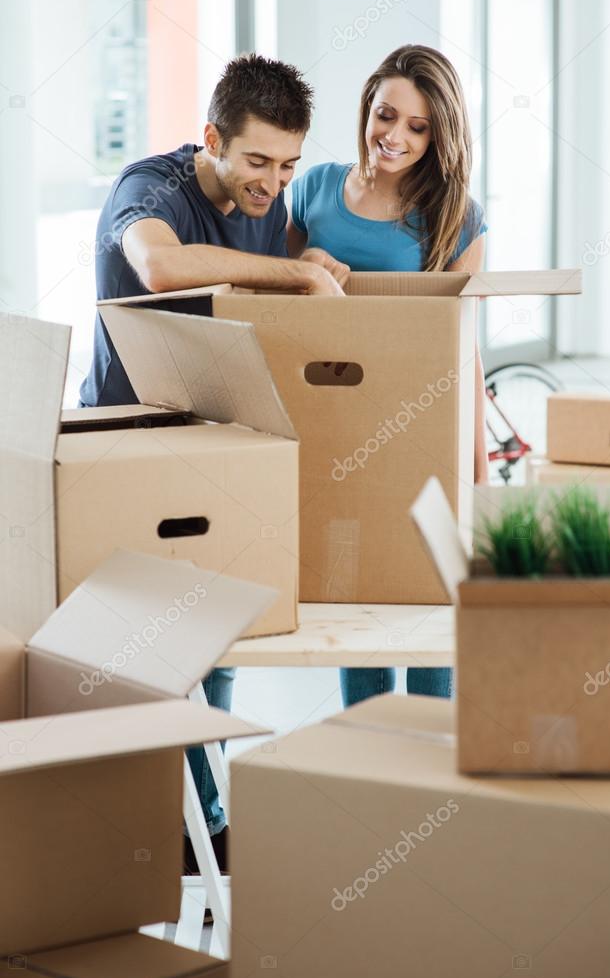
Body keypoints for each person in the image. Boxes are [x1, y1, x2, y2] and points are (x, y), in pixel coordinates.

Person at [79, 54, 345, 875]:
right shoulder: (150, 189)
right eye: (257, 161)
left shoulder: (269, 206)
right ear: (212, 140)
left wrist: (318, 268)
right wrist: (295, 272)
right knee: (147, 648)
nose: (272, 183)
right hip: (124, 445)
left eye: (288, 165)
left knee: (216, 633)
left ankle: (207, 822)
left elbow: (289, 274)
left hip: (214, 437)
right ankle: (162, 830)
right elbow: (159, 266)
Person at [287, 44, 488, 709]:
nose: (394, 136)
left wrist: (478, 468)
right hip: (338, 426)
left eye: (418, 126)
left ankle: (427, 759)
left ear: (438, 135)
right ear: (367, 106)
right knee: (357, 594)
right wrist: (307, 260)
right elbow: (281, 313)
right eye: (385, 114)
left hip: (426, 426)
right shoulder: (314, 190)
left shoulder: (457, 213)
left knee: (433, 596)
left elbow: (467, 347)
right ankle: (369, 746)